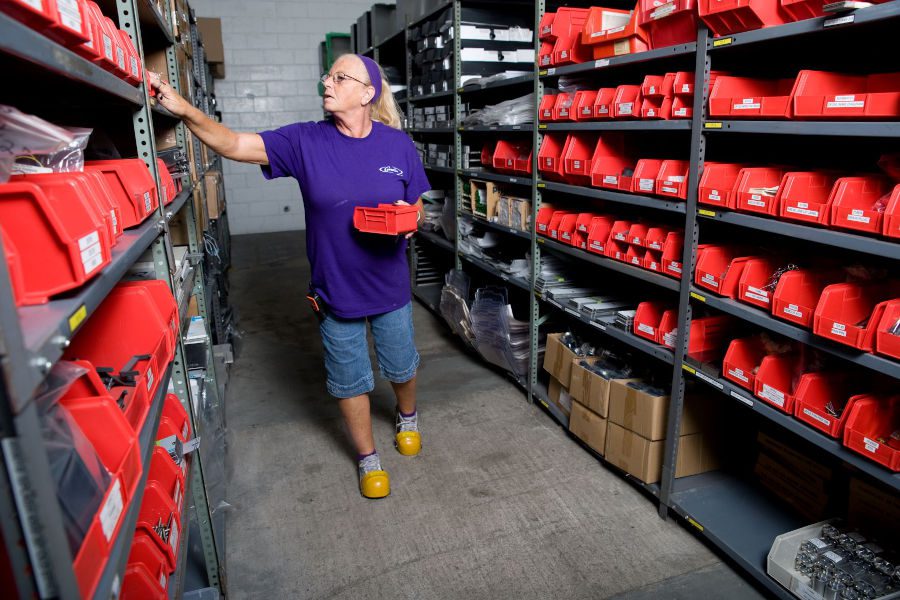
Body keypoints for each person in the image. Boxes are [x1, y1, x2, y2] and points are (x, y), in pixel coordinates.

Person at [149, 54, 430, 500]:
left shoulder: (397, 146)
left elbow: (419, 204)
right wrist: (184, 109)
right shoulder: (305, 141)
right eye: (328, 75)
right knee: (350, 377)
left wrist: (409, 216)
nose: (328, 82)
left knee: (401, 364)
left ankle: (408, 415)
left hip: (389, 286)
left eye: (341, 77)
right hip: (334, 289)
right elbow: (234, 144)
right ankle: (368, 457)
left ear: (367, 92)